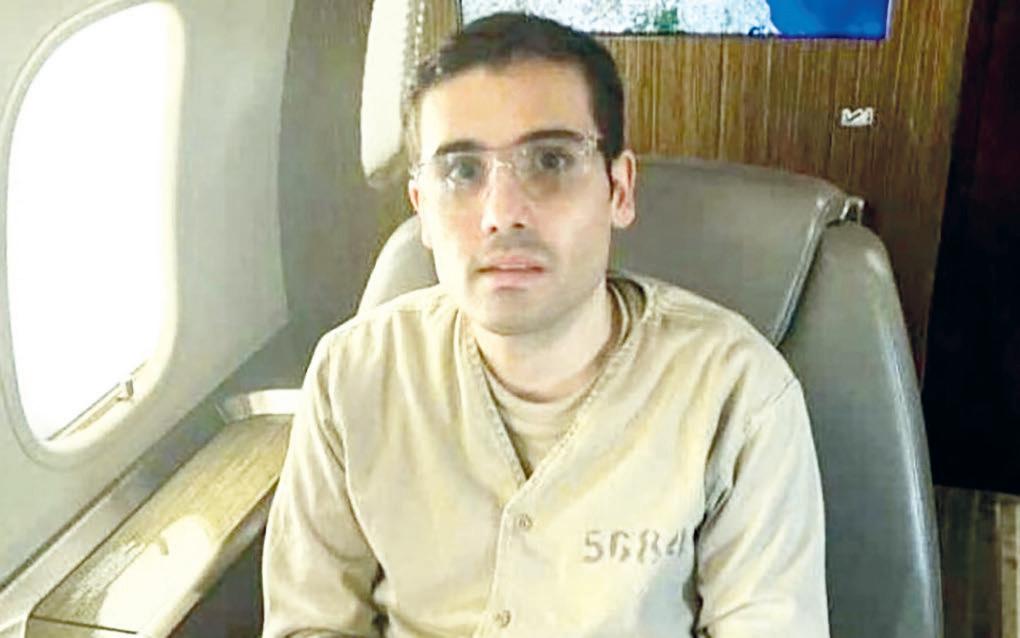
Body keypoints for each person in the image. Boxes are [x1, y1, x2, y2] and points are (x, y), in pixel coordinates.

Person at [263, 12, 828, 637]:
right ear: (421, 209)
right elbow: (311, 622)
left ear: (619, 190)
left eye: (551, 161)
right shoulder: (351, 376)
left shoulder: (737, 392)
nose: (502, 214)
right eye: (462, 171)